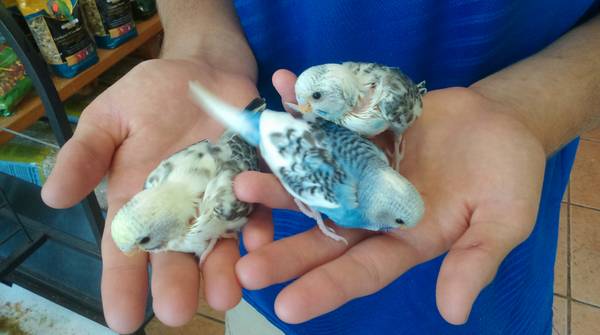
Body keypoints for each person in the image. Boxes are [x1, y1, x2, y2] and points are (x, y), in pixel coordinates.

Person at [41, 1, 600, 334]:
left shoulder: (368, 170)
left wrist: (525, 110)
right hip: (263, 237)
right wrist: (202, 42)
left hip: (485, 211)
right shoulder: (332, 183)